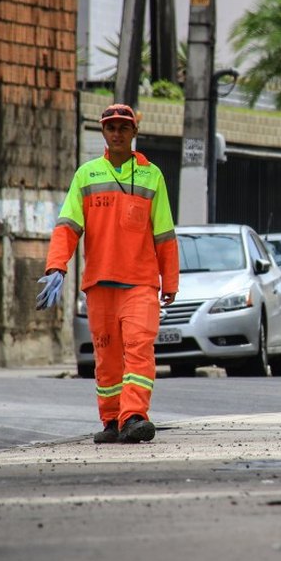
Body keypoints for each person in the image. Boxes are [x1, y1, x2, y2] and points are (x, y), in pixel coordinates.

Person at [36, 104, 179, 444]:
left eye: (123, 127)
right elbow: (68, 226)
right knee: (107, 358)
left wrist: (169, 281)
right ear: (103, 132)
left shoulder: (151, 175)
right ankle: (112, 419)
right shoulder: (86, 175)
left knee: (138, 348)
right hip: (99, 284)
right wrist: (56, 266)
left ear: (134, 133)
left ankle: (134, 415)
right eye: (110, 127)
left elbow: (164, 234)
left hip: (141, 283)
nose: (117, 132)